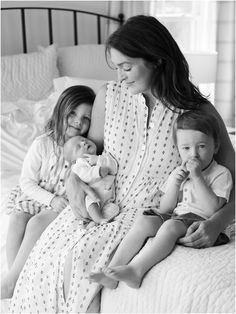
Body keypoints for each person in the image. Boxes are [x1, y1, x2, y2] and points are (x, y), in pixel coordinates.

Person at [10, 15, 234, 313]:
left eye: (127, 67)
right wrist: (73, 181)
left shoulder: (196, 112)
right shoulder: (108, 97)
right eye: (116, 68)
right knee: (52, 257)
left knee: (80, 269)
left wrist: (216, 222)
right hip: (100, 207)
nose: (121, 77)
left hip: (149, 215)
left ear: (156, 59)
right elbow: (87, 157)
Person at [89, 110, 233, 289]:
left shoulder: (220, 173)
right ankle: (112, 270)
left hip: (201, 223)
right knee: (144, 221)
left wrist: (197, 178)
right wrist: (174, 183)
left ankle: (136, 270)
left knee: (170, 226)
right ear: (178, 149)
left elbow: (213, 209)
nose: (193, 154)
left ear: (216, 146)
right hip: (178, 218)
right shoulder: (179, 172)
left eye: (202, 146)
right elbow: (165, 208)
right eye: (186, 148)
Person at [1, 85, 95, 299]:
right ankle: (14, 279)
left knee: (35, 223)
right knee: (17, 218)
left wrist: (56, 202)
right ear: (61, 110)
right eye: (73, 113)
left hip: (61, 204)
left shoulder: (85, 148)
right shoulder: (43, 144)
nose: (78, 121)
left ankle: (13, 282)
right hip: (40, 196)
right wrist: (50, 199)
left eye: (86, 118)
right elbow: (26, 182)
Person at [63, 135, 119, 225]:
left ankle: (93, 222)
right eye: (78, 146)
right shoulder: (79, 165)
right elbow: (85, 175)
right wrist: (98, 171)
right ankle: (98, 219)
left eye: (84, 139)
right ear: (74, 161)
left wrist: (98, 160)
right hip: (93, 194)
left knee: (113, 209)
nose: (83, 142)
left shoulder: (102, 157)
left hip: (107, 196)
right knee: (90, 202)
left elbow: (114, 167)